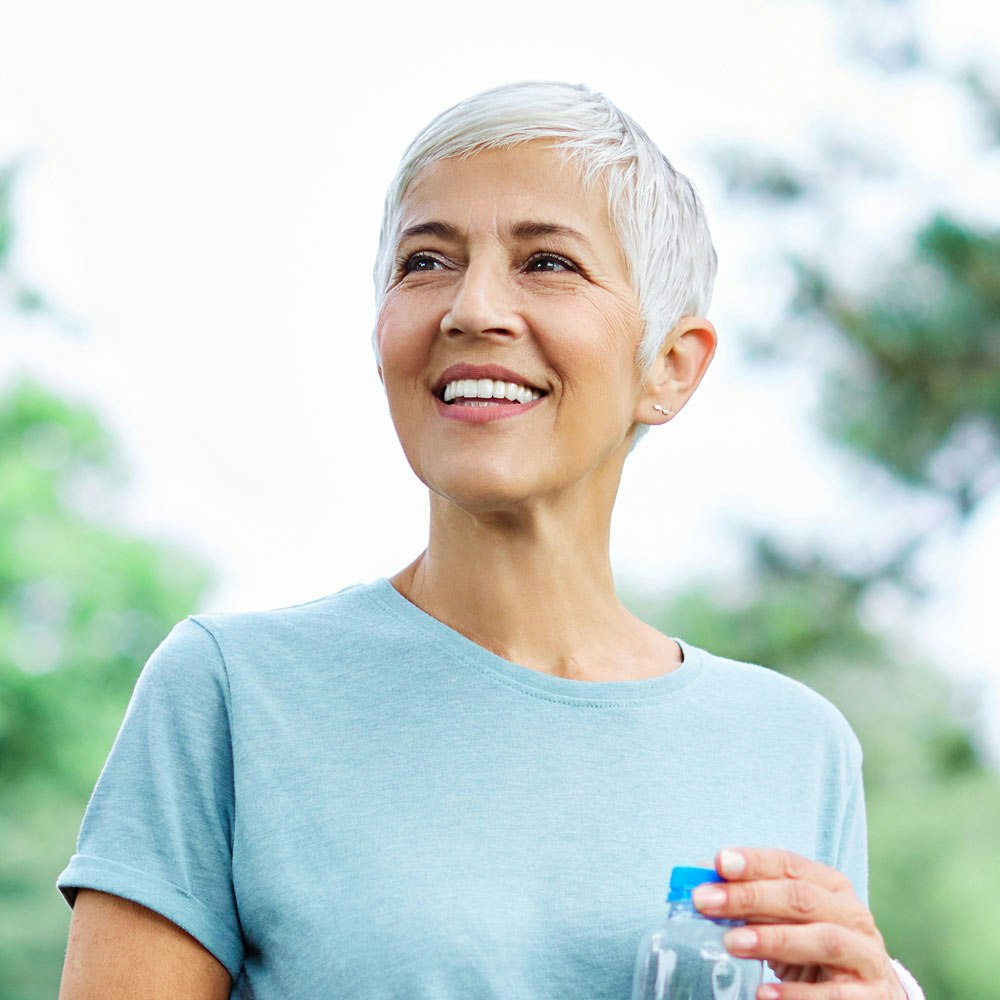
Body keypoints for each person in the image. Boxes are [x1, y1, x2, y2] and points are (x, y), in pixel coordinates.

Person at [56, 81, 924, 1000]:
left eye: (547, 262)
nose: (471, 309)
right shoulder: (232, 695)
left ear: (669, 366)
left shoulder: (796, 747)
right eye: (425, 261)